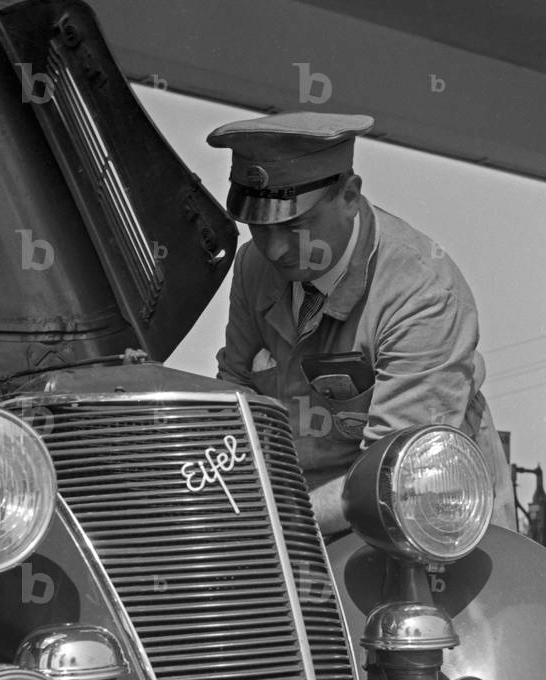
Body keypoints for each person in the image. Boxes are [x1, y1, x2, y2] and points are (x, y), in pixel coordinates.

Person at [206, 111, 516, 535]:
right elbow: (235, 397)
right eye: (258, 228)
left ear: (350, 195)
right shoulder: (253, 267)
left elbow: (396, 474)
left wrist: (269, 524)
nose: (275, 249)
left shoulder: (422, 289)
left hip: (421, 518)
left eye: (295, 225)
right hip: (300, 517)